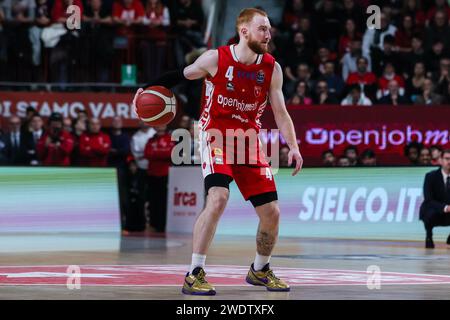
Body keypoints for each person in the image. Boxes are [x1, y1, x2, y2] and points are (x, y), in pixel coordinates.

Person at [132, 8, 303, 295]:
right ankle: (194, 273)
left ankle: (260, 269)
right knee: (218, 197)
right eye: (263, 28)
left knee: (272, 212)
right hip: (214, 136)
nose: (269, 34)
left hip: (249, 141)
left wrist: (294, 147)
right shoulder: (216, 58)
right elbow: (179, 75)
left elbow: (281, 113)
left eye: (270, 29)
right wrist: (145, 89)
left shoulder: (271, 68)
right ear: (244, 31)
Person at [144, 125, 174, 234]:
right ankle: (153, 224)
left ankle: (162, 225)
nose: (160, 127)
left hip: (165, 174)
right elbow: (147, 154)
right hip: (152, 174)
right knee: (153, 201)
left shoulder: (170, 138)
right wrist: (161, 153)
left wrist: (156, 152)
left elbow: (171, 153)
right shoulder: (151, 140)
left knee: (163, 200)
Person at [419, 149, 450, 249]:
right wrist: (445, 207)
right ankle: (429, 236)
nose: (449, 162)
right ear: (440, 160)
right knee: (428, 210)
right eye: (447, 159)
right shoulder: (430, 176)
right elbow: (428, 198)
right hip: (435, 209)